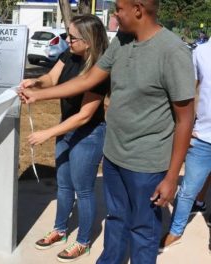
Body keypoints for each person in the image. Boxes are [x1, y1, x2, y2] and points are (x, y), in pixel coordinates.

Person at [19, 0, 195, 263]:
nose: (114, 15)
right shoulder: (122, 40)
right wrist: (39, 94)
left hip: (146, 164)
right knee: (116, 220)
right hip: (113, 156)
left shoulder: (173, 52)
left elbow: (185, 120)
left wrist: (171, 177)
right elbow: (87, 80)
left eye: (119, 9)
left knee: (143, 230)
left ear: (138, 10)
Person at [21, 15, 109, 262]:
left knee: (83, 190)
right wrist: (35, 82)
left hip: (89, 134)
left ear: (89, 41)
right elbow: (50, 79)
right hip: (66, 130)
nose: (67, 40)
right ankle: (60, 230)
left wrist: (47, 133)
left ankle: (83, 242)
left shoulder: (99, 69)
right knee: (63, 184)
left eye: (73, 37)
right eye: (67, 35)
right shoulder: (69, 55)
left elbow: (84, 115)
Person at [159, 37, 211, 252]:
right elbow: (187, 92)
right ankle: (176, 230)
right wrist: (186, 128)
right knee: (188, 189)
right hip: (203, 137)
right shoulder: (201, 52)